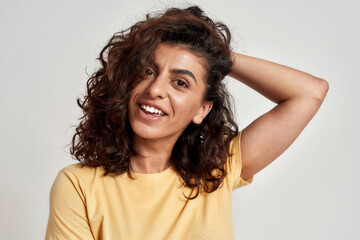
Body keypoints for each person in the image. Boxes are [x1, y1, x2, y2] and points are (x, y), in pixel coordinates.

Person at [45, 5, 329, 240]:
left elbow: (310, 92)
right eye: (148, 71)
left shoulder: (217, 172)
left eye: (180, 82)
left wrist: (218, 57)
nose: (155, 89)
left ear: (202, 109)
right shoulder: (79, 185)